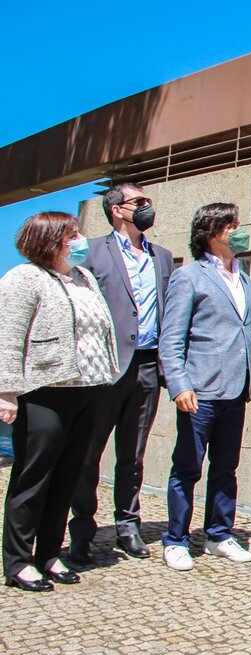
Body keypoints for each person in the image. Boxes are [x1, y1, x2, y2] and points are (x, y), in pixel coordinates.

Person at [158, 203, 251, 572]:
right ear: (211, 233)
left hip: (236, 391)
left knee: (226, 467)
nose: (240, 230)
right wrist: (179, 385)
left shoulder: (245, 279)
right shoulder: (189, 277)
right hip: (199, 392)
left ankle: (220, 533)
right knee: (187, 469)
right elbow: (171, 339)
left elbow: (247, 333)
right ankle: (176, 539)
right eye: (233, 225)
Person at [0, 212, 119, 591]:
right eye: (73, 234)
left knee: (68, 475)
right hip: (45, 392)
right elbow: (8, 337)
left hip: (88, 389)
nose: (81, 240)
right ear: (50, 239)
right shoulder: (24, 278)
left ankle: (48, 554)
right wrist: (6, 392)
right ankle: (18, 561)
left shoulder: (83, 278)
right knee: (34, 477)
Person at [68, 182, 173, 564]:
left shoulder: (161, 257)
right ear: (117, 210)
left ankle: (128, 524)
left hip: (148, 366)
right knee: (89, 452)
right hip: (105, 367)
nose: (147, 207)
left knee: (134, 453)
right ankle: (82, 528)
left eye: (148, 201)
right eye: (139, 202)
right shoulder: (92, 252)